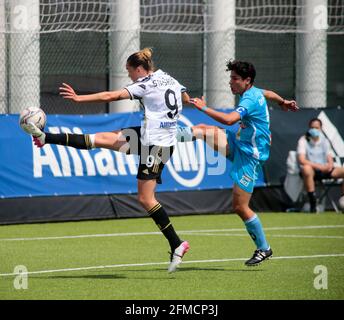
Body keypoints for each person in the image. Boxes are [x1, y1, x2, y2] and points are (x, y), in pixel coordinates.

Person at [23, 48, 190, 273]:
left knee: (145, 198)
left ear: (139, 69)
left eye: (129, 72)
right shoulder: (168, 77)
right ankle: (46, 137)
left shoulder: (145, 83)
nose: (129, 76)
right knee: (98, 139)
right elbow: (185, 98)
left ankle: (177, 243)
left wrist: (78, 98)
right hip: (148, 135)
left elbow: (111, 96)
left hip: (157, 145)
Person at [179, 60, 299, 266]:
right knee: (201, 130)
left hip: (250, 156)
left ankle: (264, 248)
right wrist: (282, 101)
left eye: (235, 79)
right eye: (230, 78)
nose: (230, 83)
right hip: (239, 143)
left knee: (240, 206)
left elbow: (228, 120)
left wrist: (204, 107)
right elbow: (267, 93)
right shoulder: (255, 92)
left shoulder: (250, 99)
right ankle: (164, 139)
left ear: (247, 81)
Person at [297, 118, 344, 213]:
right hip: (311, 171)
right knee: (306, 168)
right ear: (309, 128)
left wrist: (329, 166)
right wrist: (319, 167)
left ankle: (343, 199)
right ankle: (313, 203)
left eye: (317, 127)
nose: (314, 129)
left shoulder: (325, 141)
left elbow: (329, 158)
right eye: (312, 127)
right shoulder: (303, 140)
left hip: (325, 170)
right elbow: (302, 160)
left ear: (321, 128)